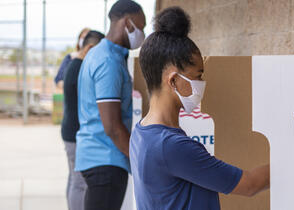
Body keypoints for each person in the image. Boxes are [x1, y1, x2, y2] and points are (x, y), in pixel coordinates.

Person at [130, 7, 270, 210]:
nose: (202, 83)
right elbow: (249, 185)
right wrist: (290, 164)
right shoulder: (171, 146)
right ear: (174, 80)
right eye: (197, 76)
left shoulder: (141, 131)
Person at [75, 0, 146, 210]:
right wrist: (139, 161)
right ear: (127, 22)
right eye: (140, 27)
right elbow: (113, 127)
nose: (141, 33)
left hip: (97, 158)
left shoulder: (100, 54)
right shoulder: (108, 62)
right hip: (105, 161)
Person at [61, 30, 105, 210]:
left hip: (70, 131)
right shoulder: (79, 68)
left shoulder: (74, 65)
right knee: (79, 183)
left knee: (74, 179)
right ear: (90, 47)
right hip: (75, 133)